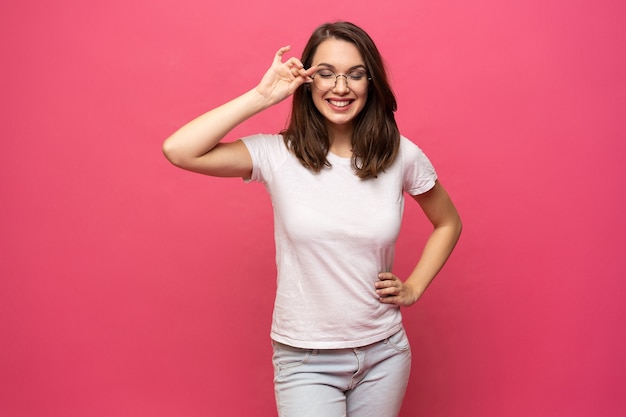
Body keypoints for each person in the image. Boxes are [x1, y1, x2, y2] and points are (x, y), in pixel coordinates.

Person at [163, 21, 461, 417]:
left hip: (384, 352)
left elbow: (448, 222)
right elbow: (179, 150)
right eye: (326, 73)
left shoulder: (400, 155)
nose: (341, 87)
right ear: (307, 80)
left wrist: (414, 287)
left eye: (355, 74)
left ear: (371, 82)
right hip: (306, 359)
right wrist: (261, 96)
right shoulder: (277, 154)